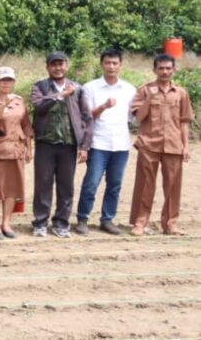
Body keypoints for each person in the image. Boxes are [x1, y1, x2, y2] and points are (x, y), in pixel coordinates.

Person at [29, 51, 92, 238]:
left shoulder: (78, 88)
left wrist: (84, 146)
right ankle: (40, 222)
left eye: (61, 64)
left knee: (66, 185)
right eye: (53, 65)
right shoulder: (40, 86)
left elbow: (87, 117)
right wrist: (60, 95)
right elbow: (38, 106)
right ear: (47, 67)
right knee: (43, 184)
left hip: (68, 144)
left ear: (67, 65)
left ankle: (61, 223)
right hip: (45, 143)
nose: (58, 68)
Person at [130, 54, 194, 236]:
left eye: (168, 68)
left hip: (174, 145)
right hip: (149, 144)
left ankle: (171, 223)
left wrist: (186, 146)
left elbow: (184, 121)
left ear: (174, 70)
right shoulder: (144, 90)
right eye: (161, 68)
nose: (165, 72)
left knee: (173, 185)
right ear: (154, 70)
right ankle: (140, 223)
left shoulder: (181, 93)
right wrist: (150, 99)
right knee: (145, 184)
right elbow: (138, 118)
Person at [74, 49, 137, 236]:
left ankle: (107, 219)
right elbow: (86, 116)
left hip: (121, 144)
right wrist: (103, 106)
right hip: (98, 143)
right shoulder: (90, 87)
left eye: (115, 63)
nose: (111, 66)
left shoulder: (129, 89)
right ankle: (83, 218)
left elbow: (132, 118)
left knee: (115, 184)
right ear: (101, 64)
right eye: (108, 63)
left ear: (120, 65)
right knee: (91, 183)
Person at [0, 67, 32, 240]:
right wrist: (3, 104)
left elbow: (25, 125)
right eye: (2, 80)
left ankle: (6, 223)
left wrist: (29, 148)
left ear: (14, 82)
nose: (6, 83)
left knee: (12, 188)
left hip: (15, 149)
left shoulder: (19, 101)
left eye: (9, 80)